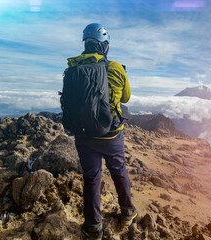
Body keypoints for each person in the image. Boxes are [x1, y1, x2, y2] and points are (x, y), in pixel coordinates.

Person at [65, 23, 137, 240]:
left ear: (85, 44)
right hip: (112, 134)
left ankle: (93, 227)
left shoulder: (72, 69)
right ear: (105, 46)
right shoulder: (114, 68)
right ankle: (127, 212)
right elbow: (125, 98)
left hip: (84, 135)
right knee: (118, 171)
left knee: (91, 178)